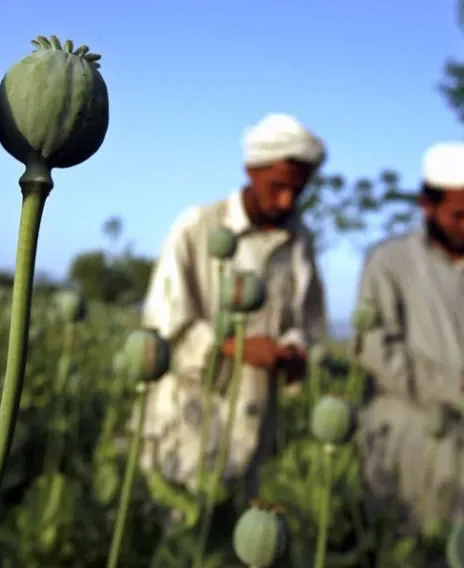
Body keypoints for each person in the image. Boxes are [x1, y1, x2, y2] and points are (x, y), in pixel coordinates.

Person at [134, 113, 328, 532]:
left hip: (256, 418)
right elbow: (164, 320)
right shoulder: (198, 227)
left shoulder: (301, 241)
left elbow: (306, 317)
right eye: (278, 187)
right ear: (250, 171)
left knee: (233, 532)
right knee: (181, 531)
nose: (287, 202)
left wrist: (293, 349)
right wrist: (235, 346)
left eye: (298, 190)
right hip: (190, 413)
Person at [356, 142, 464, 542]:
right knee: (407, 544)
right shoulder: (388, 261)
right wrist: (453, 386)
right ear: (426, 205)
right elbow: (375, 349)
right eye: (459, 214)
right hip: (406, 435)